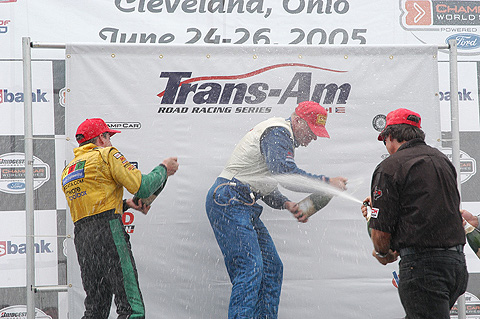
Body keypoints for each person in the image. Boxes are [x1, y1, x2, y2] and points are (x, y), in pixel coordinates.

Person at [205, 101, 347, 319]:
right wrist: (326, 182)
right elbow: (284, 174)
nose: (314, 137)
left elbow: (264, 181)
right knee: (250, 269)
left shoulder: (279, 135)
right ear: (297, 120)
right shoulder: (278, 132)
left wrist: (286, 203)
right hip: (229, 201)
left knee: (271, 268)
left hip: (240, 202)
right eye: (311, 130)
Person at [61, 118, 178, 319]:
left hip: (83, 239)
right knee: (131, 307)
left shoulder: (69, 169)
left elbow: (91, 204)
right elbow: (144, 187)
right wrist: (163, 169)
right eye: (109, 136)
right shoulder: (107, 154)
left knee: (95, 310)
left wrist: (125, 204)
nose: (111, 142)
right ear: (101, 138)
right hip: (109, 232)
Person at [361, 108, 467, 319]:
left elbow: (380, 234)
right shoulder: (441, 161)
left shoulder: (390, 167)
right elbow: (427, 207)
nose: (386, 147)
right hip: (455, 266)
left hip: (424, 269)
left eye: (384, 141)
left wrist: (383, 253)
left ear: (390, 136)